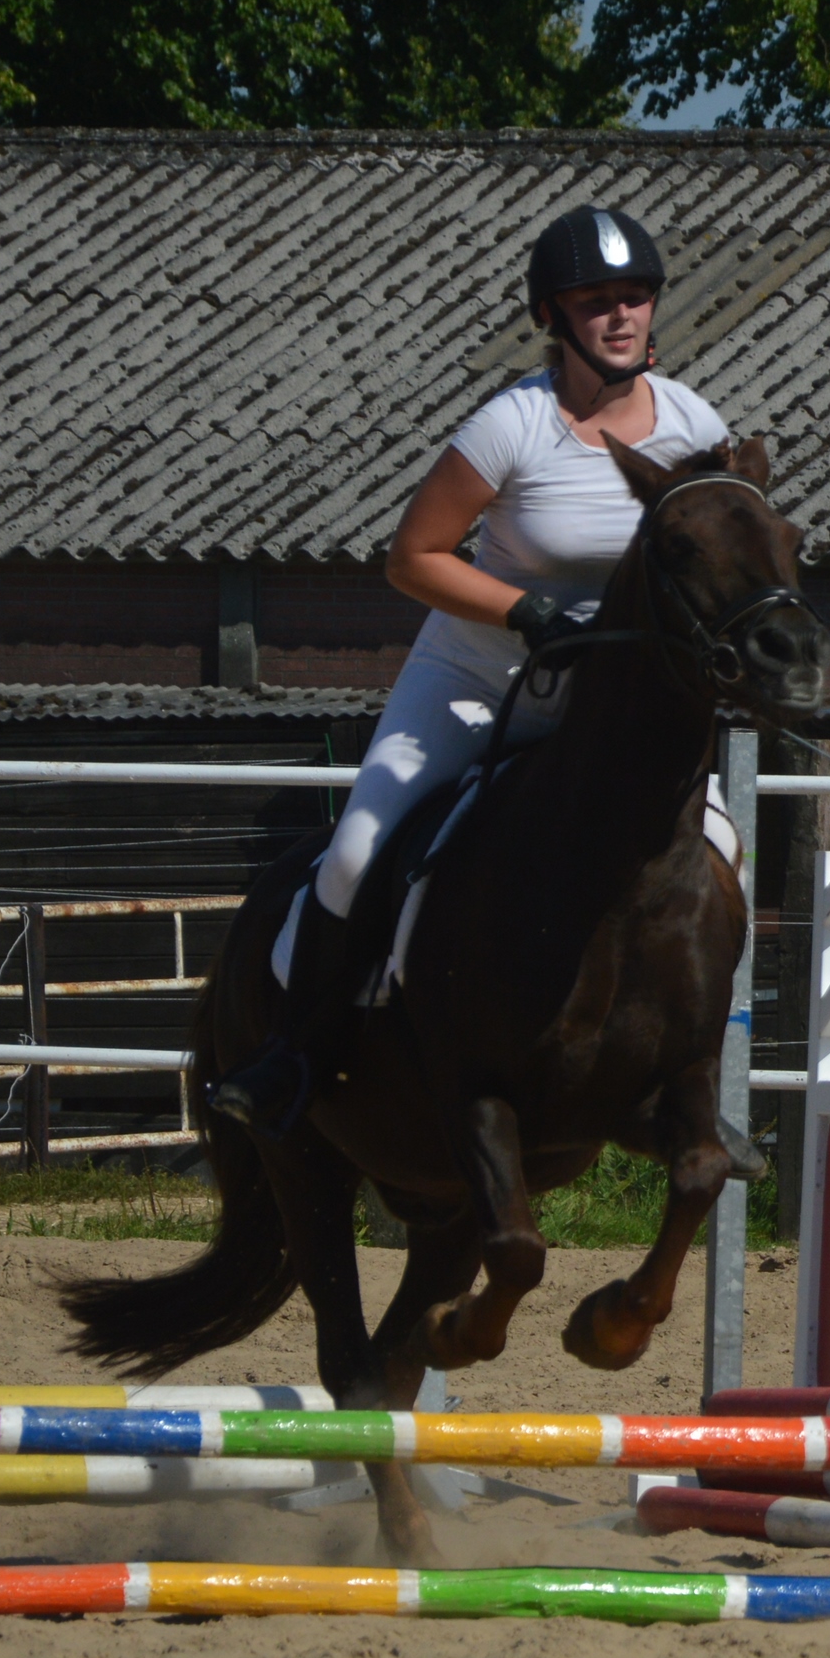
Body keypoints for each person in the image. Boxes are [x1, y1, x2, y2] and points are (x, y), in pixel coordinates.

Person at [209, 206, 735, 1131]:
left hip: (610, 709)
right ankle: (295, 1052)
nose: (620, 316)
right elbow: (412, 558)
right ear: (551, 316)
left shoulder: (693, 424)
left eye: (635, 297)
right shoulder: (511, 426)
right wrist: (526, 611)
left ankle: (683, 1079)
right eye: (595, 300)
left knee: (720, 855)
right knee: (355, 854)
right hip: (477, 684)